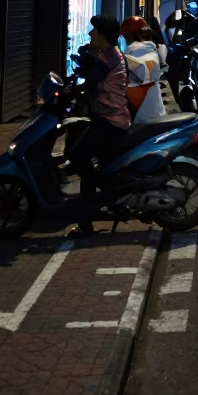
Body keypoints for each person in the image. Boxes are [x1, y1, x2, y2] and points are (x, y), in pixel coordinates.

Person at [70, 15, 131, 235]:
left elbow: (92, 76)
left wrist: (76, 83)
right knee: (89, 164)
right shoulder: (106, 55)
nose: (89, 34)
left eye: (93, 30)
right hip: (107, 117)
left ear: (102, 34)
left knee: (78, 156)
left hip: (111, 121)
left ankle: (102, 200)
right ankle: (91, 215)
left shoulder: (110, 59)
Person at [120, 16, 166, 124]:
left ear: (128, 36)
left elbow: (148, 72)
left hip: (147, 118)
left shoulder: (148, 53)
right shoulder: (145, 51)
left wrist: (121, 59)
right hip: (147, 115)